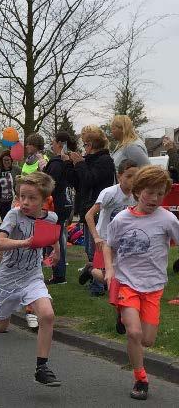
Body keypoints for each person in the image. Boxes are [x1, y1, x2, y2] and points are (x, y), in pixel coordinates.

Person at [0, 172, 62, 387]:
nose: (25, 202)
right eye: (22, 196)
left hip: (33, 276)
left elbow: (53, 238)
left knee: (47, 315)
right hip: (8, 279)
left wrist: (57, 251)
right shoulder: (14, 216)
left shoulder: (51, 218)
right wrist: (25, 242)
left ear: (45, 200)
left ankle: (41, 368)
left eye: (32, 198)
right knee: (3, 324)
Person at [103, 165, 179, 400]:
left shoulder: (167, 219)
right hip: (127, 283)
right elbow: (108, 244)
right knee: (134, 333)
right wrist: (109, 269)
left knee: (147, 339)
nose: (155, 198)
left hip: (154, 286)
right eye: (149, 192)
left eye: (160, 193)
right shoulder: (122, 219)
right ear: (137, 191)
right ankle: (140, 378)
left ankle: (123, 316)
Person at [81, 159, 138, 333]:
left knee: (124, 278)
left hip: (126, 242)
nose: (132, 180)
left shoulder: (137, 195)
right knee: (110, 278)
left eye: (136, 176)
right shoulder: (109, 193)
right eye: (129, 176)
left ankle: (121, 313)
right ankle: (90, 270)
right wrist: (97, 237)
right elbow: (89, 215)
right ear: (119, 176)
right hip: (105, 239)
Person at [70, 125, 116, 296]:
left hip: (98, 211)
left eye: (85, 144)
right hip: (88, 209)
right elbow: (79, 182)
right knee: (90, 249)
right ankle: (97, 279)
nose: (84, 148)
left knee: (95, 249)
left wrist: (80, 164)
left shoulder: (104, 161)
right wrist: (71, 165)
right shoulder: (90, 160)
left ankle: (98, 284)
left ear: (91, 144)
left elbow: (90, 180)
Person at [43, 131, 78, 284]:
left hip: (55, 205)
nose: (51, 143)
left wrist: (42, 172)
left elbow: (49, 184)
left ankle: (58, 274)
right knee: (57, 238)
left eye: (53, 141)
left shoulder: (56, 164)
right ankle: (57, 272)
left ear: (59, 144)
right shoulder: (66, 162)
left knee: (53, 240)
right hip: (63, 204)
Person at [0, 150, 21, 219]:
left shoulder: (17, 170)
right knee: (5, 221)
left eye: (8, 160)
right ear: (1, 160)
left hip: (14, 201)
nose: (6, 162)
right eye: (4, 160)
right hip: (2, 203)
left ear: (11, 160)